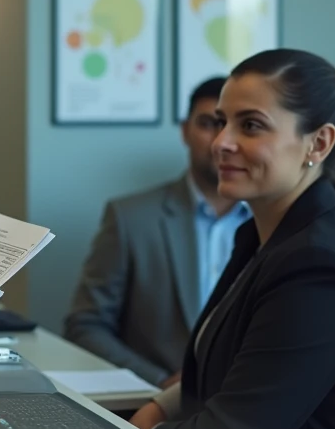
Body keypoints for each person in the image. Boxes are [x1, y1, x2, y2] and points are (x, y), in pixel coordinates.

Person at [129, 49, 335, 429]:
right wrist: (159, 407)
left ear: (318, 143)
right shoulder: (266, 235)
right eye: (220, 121)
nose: (220, 143)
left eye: (250, 125)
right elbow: (240, 368)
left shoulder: (321, 265)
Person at [64, 77, 251, 387]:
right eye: (209, 123)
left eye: (236, 126)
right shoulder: (131, 218)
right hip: (155, 404)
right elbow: (85, 325)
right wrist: (162, 383)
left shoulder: (272, 222)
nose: (221, 140)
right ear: (185, 131)